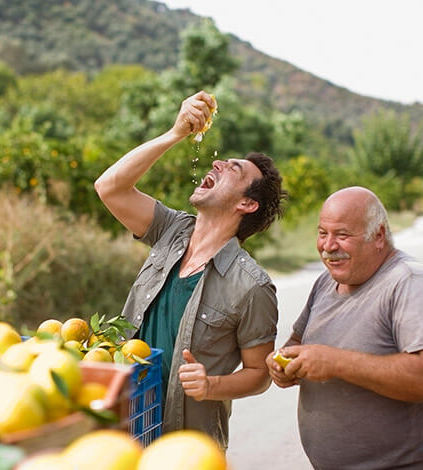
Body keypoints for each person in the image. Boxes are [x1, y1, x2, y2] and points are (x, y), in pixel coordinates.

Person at [94, 90, 286, 449]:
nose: (217, 164)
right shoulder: (170, 230)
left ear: (247, 203)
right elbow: (110, 188)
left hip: (187, 446)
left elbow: (260, 374)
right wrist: (175, 133)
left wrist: (211, 385)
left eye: (234, 169)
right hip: (126, 424)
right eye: (221, 161)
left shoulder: (252, 286)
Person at [267, 186, 423, 470]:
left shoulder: (413, 283)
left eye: (342, 235)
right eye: (322, 233)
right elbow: (298, 341)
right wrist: (283, 361)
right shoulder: (326, 282)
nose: (328, 246)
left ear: (378, 235)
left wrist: (335, 362)